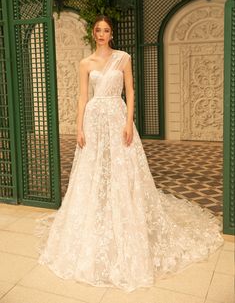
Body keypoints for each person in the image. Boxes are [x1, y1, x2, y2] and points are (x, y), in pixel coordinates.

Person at [37, 15, 224, 292]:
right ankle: (96, 218)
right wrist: (78, 128)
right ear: (93, 33)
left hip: (116, 116)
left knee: (123, 170)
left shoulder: (122, 58)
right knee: (93, 172)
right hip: (93, 118)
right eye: (98, 30)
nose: (102, 34)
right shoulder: (85, 63)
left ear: (112, 34)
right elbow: (81, 96)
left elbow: (131, 91)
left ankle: (124, 216)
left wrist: (128, 122)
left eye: (106, 30)